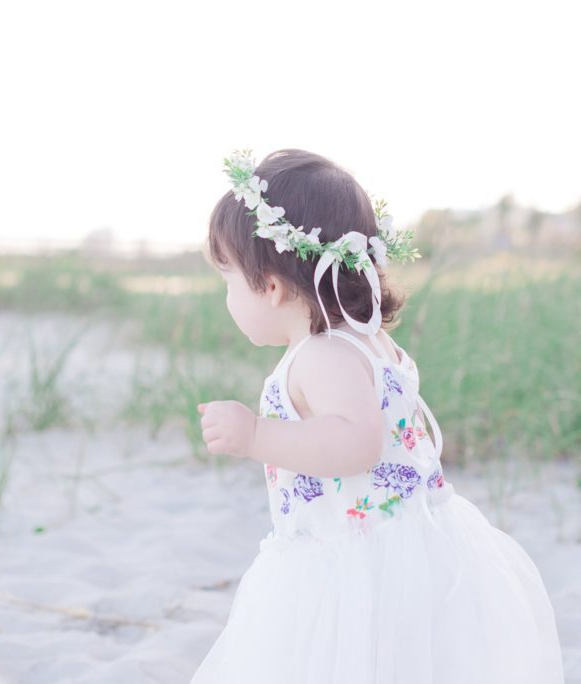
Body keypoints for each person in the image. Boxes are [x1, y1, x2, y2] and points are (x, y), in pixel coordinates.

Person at [189, 148, 564, 683]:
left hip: (355, 559)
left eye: (228, 280)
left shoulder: (323, 355)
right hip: (408, 543)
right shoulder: (366, 341)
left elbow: (354, 444)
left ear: (270, 286)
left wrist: (255, 435)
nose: (226, 296)